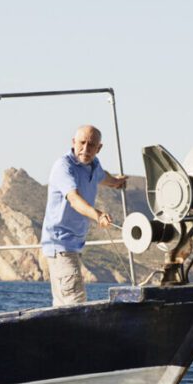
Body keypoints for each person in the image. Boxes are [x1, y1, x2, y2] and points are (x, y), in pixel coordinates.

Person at [40, 124, 129, 306]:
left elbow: (101, 176)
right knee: (75, 302)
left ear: (99, 148)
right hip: (60, 245)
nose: (85, 149)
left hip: (74, 246)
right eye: (82, 143)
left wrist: (116, 182)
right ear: (73, 142)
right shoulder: (64, 167)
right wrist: (98, 215)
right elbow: (74, 199)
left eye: (91, 145)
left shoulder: (94, 165)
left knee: (63, 306)